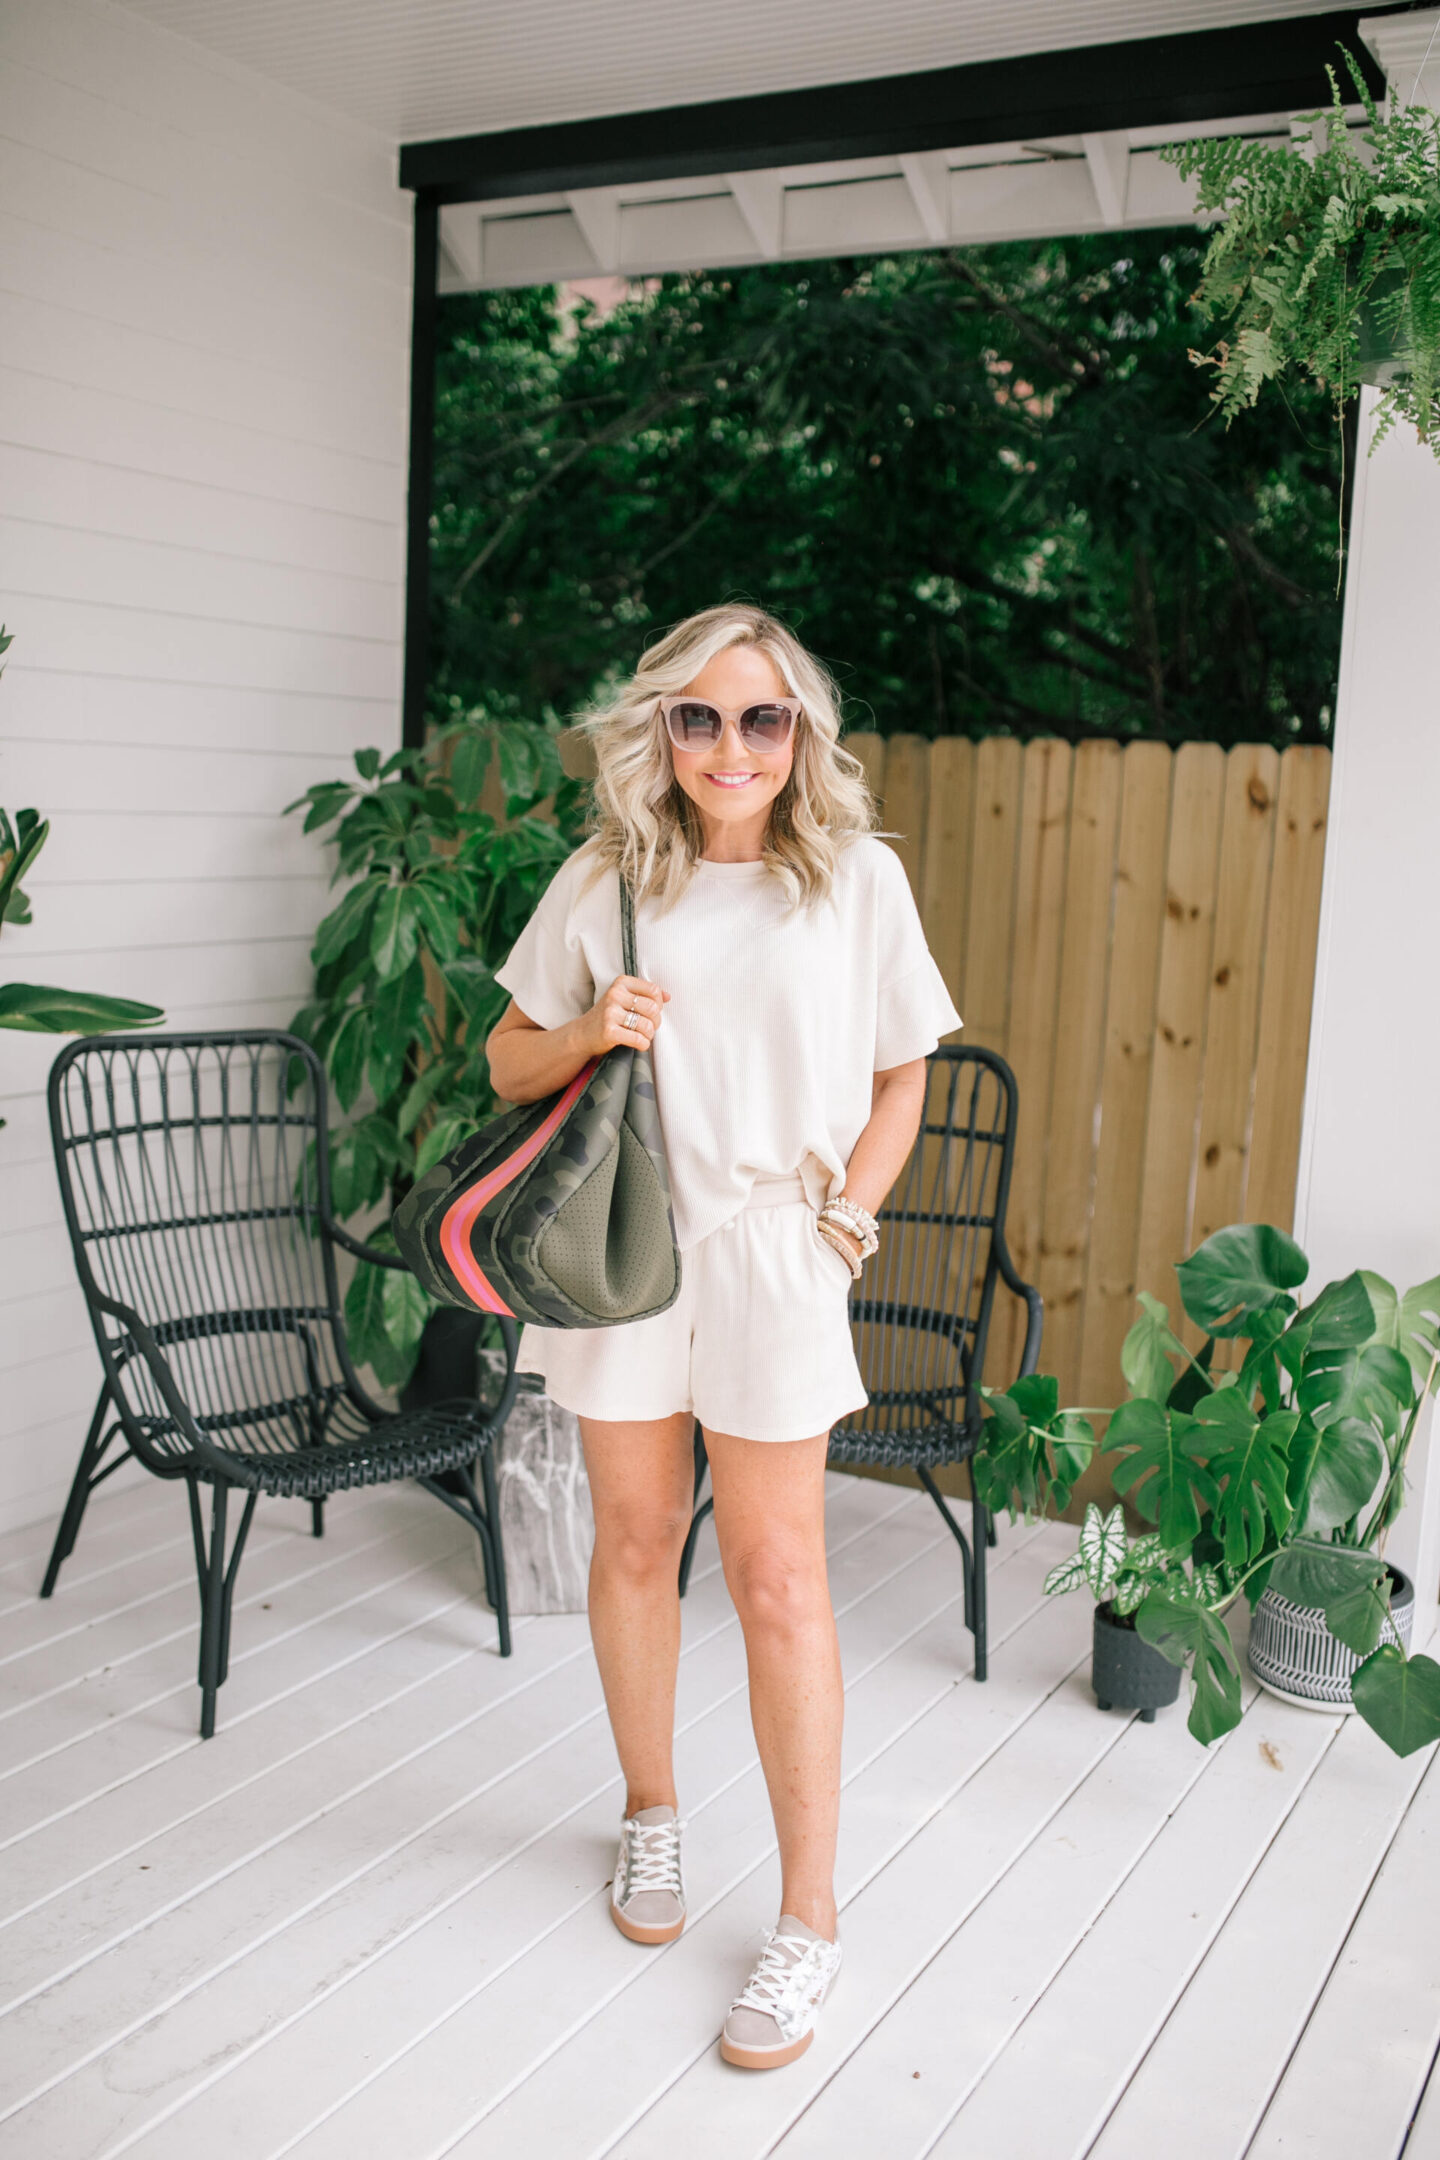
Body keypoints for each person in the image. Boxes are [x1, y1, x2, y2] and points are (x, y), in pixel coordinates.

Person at [485, 603, 961, 2070]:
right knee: (632, 1545)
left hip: (775, 1257)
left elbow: (901, 1080)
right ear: (663, 734)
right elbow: (510, 1059)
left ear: (801, 731)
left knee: (777, 1576)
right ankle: (650, 1817)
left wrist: (847, 1227)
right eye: (700, 717)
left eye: (762, 718)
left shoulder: (858, 884)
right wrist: (589, 1029)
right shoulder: (608, 875)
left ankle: (809, 1921)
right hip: (627, 1246)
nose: (732, 746)